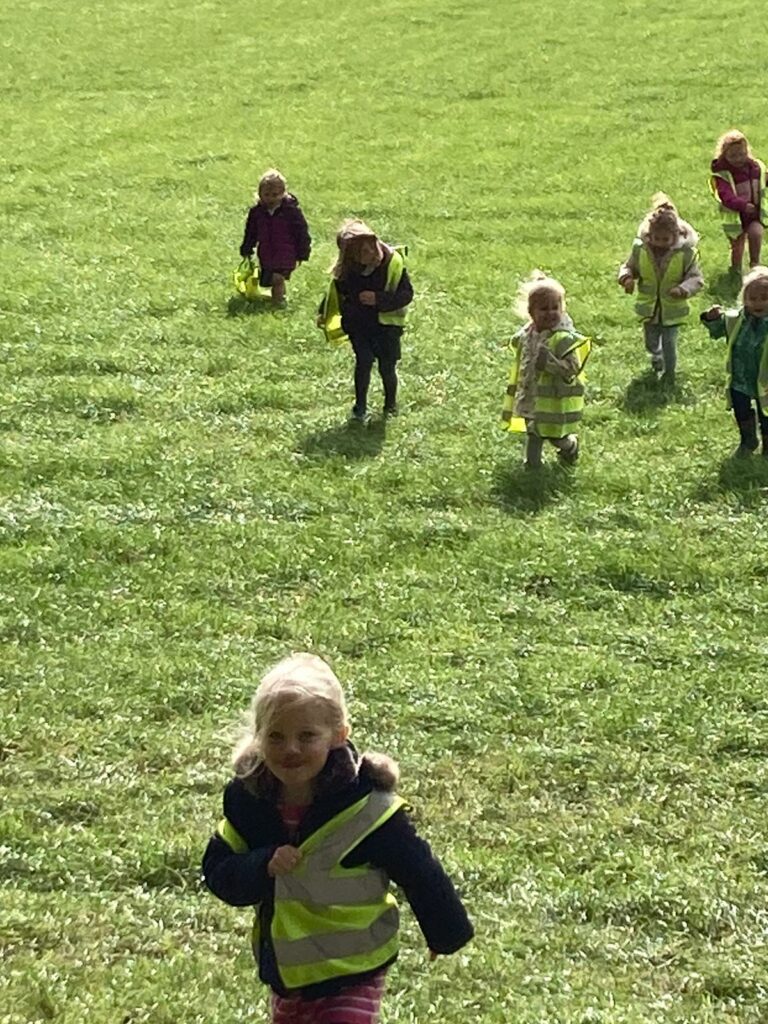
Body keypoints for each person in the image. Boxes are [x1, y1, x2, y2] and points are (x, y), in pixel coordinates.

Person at [202, 652, 473, 1024]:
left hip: (355, 968)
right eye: (276, 736)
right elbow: (218, 869)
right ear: (258, 737)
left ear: (339, 734)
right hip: (289, 971)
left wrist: (445, 932)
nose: (291, 748)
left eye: (307, 736)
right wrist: (261, 864)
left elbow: (418, 869)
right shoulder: (251, 803)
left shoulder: (367, 808)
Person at [317, 220, 413, 421]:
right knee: (364, 361)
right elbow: (335, 292)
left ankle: (390, 405)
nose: (370, 254)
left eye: (372, 248)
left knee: (387, 367)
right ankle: (360, 406)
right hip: (358, 325)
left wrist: (379, 299)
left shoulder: (393, 263)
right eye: (362, 252)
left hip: (387, 327)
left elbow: (406, 294)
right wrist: (323, 312)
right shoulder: (348, 270)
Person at [500, 272, 591, 469]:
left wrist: (550, 364)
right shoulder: (527, 335)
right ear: (531, 312)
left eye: (554, 308)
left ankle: (570, 446)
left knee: (555, 436)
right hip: (532, 396)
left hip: (554, 401)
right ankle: (532, 467)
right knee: (533, 433)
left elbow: (572, 369)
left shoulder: (563, 338)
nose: (550, 313)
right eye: (543, 308)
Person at [618, 193, 703, 383]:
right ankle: (656, 355)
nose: (661, 243)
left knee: (669, 342)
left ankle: (669, 374)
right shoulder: (641, 250)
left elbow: (696, 278)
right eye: (657, 238)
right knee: (650, 341)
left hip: (673, 308)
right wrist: (626, 278)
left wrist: (683, 289)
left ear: (676, 235)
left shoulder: (685, 254)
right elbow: (629, 266)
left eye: (666, 239)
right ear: (649, 235)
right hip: (649, 307)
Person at [700, 265, 768, 458]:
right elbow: (718, 329)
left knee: (766, 414)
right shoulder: (736, 319)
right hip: (740, 377)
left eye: (764, 298)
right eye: (752, 298)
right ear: (744, 299)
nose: (758, 303)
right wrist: (711, 318)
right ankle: (748, 441)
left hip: (766, 380)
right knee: (741, 410)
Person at [239, 169, 311, 306]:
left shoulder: (291, 212)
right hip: (266, 253)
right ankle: (279, 297)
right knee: (270, 279)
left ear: (283, 193)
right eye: (266, 194)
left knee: (277, 278)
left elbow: (301, 232)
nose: (270, 198)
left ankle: (277, 303)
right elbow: (251, 232)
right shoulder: (257, 212)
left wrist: (303, 252)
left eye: (275, 195)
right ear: (260, 193)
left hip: (286, 253)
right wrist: (247, 247)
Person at [709, 130, 767, 281]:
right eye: (733, 156)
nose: (738, 159)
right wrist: (742, 205)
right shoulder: (723, 175)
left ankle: (754, 264)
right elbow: (725, 196)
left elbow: (764, 180)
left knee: (756, 233)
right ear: (724, 155)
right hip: (735, 218)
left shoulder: (756, 168)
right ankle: (735, 269)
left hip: (754, 214)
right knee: (737, 245)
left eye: (742, 154)